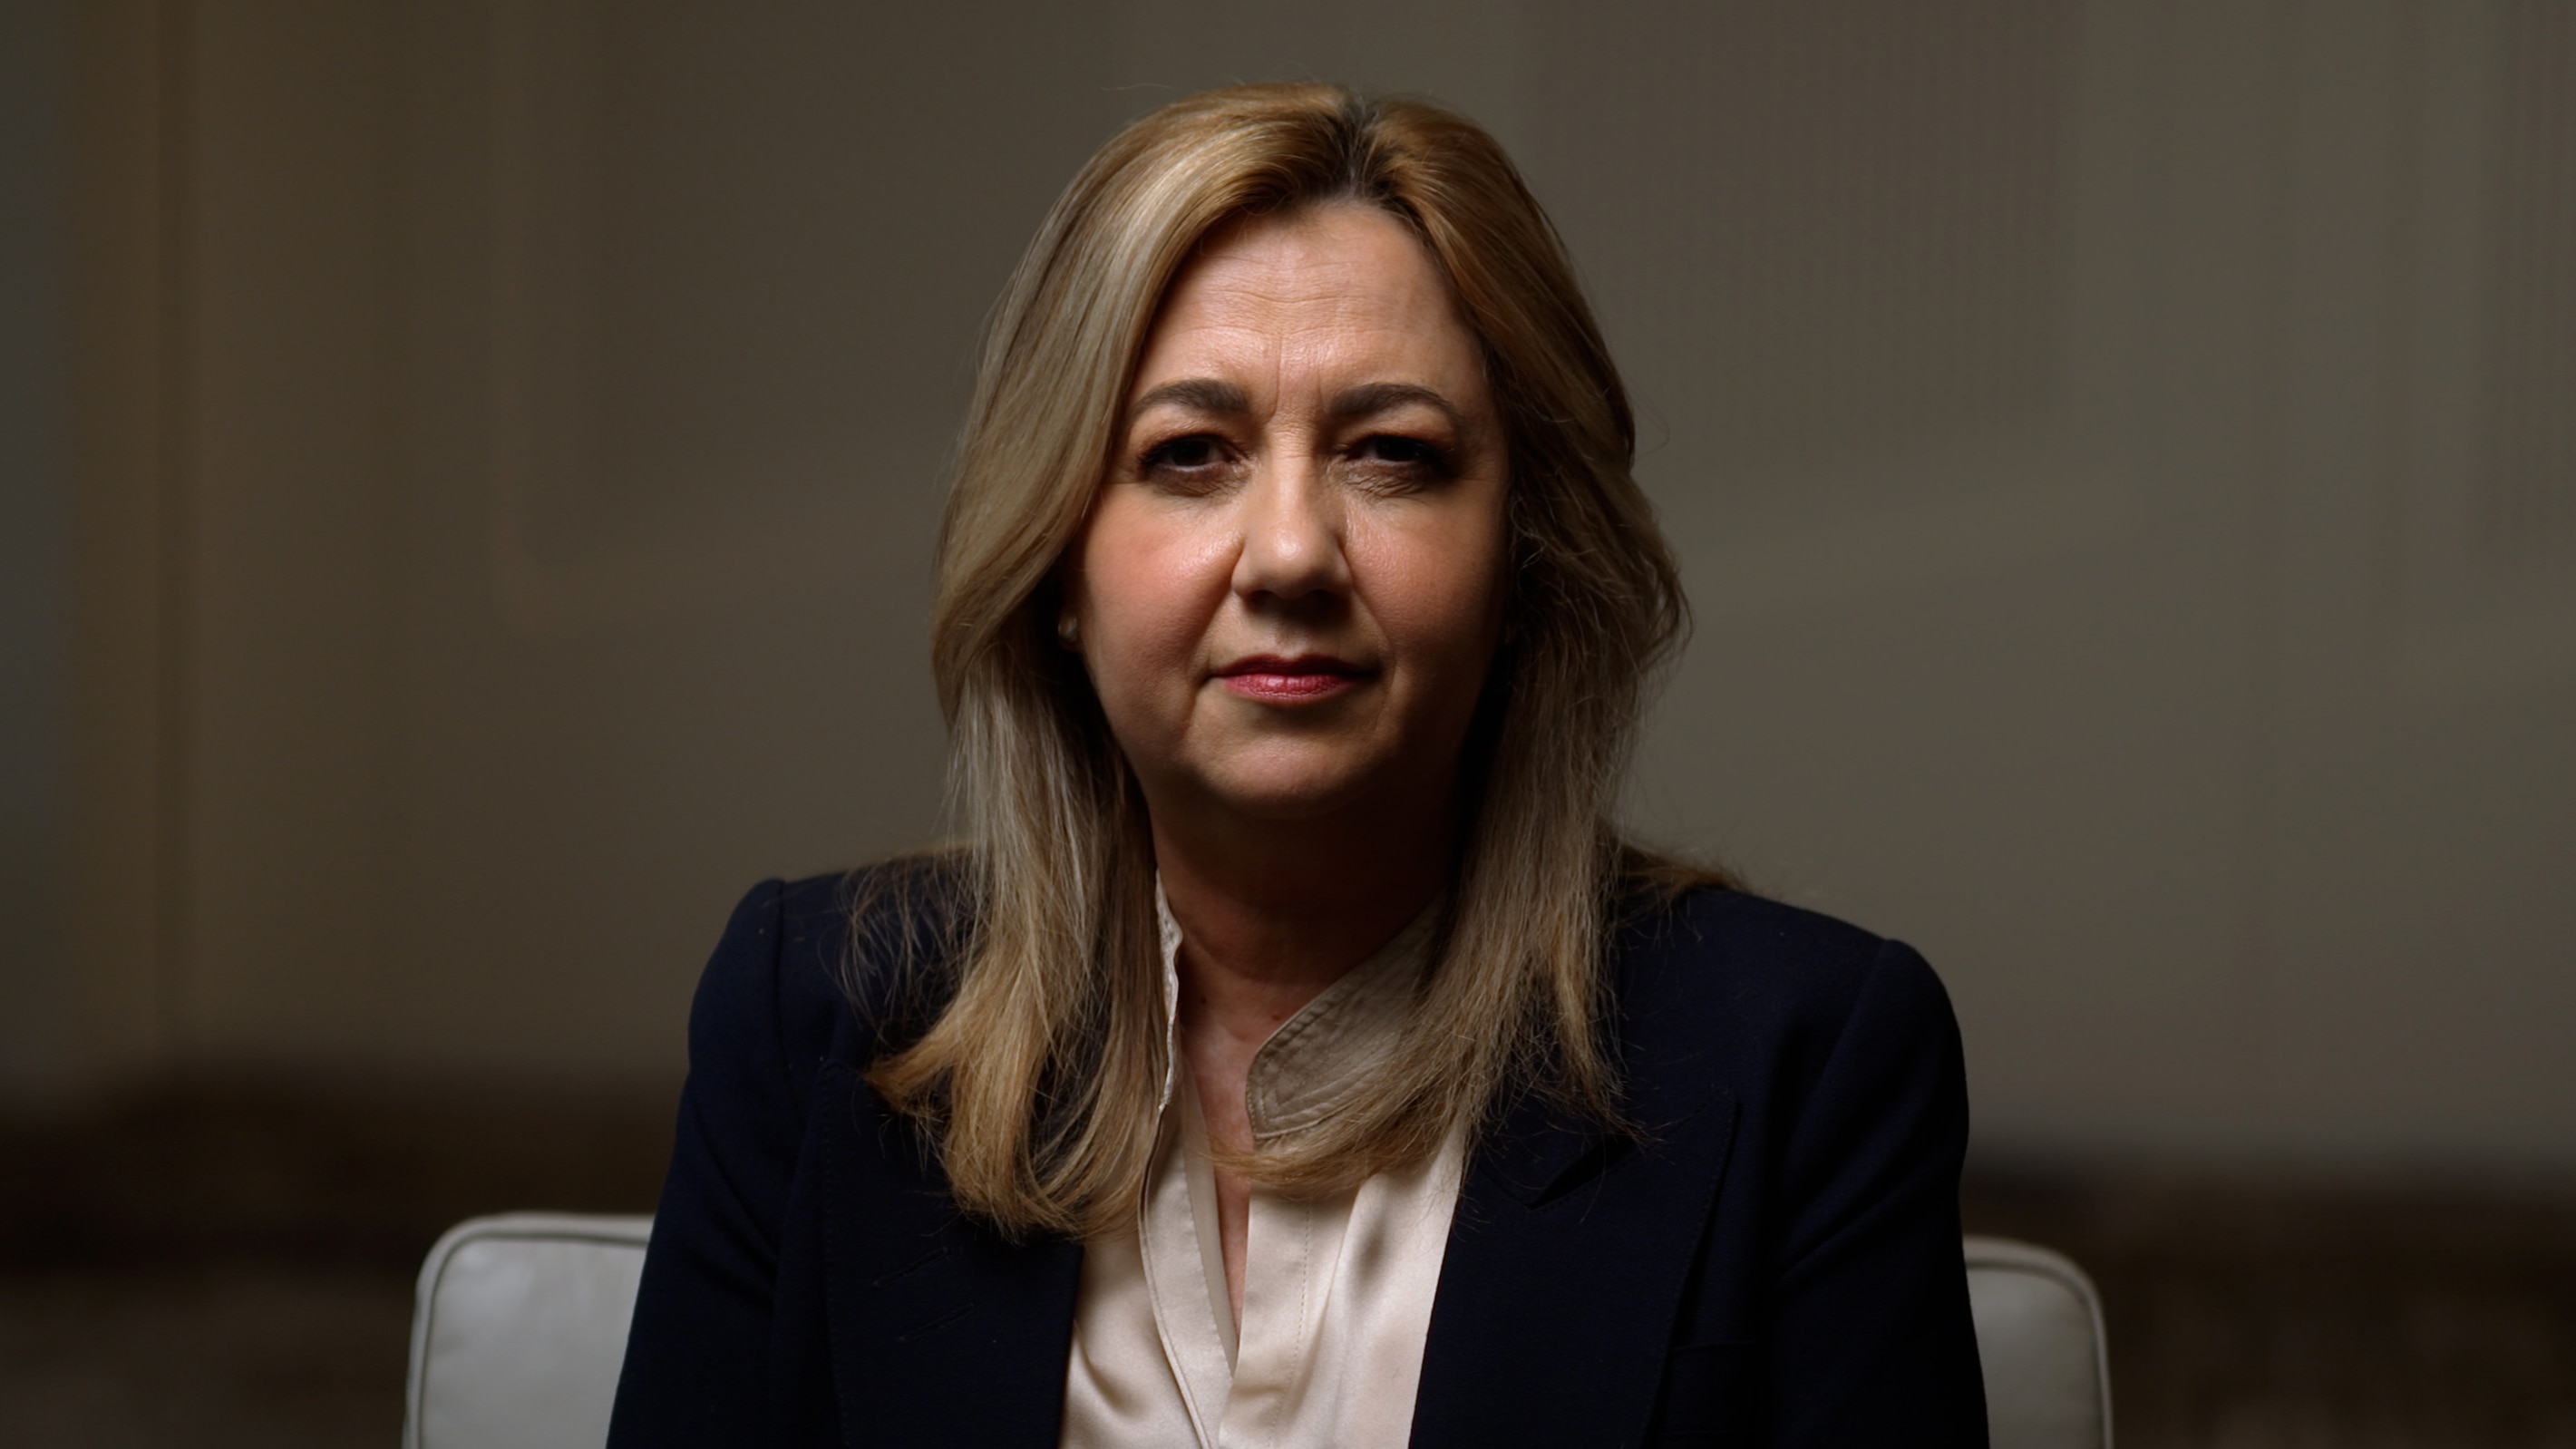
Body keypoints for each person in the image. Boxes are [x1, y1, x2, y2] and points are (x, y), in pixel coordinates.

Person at [607, 83, 1985, 1448]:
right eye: (1189, 454)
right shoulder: (810, 1019)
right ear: (1058, 564)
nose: (1287, 554)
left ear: (1527, 555)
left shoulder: (1807, 1058)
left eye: (1391, 454)